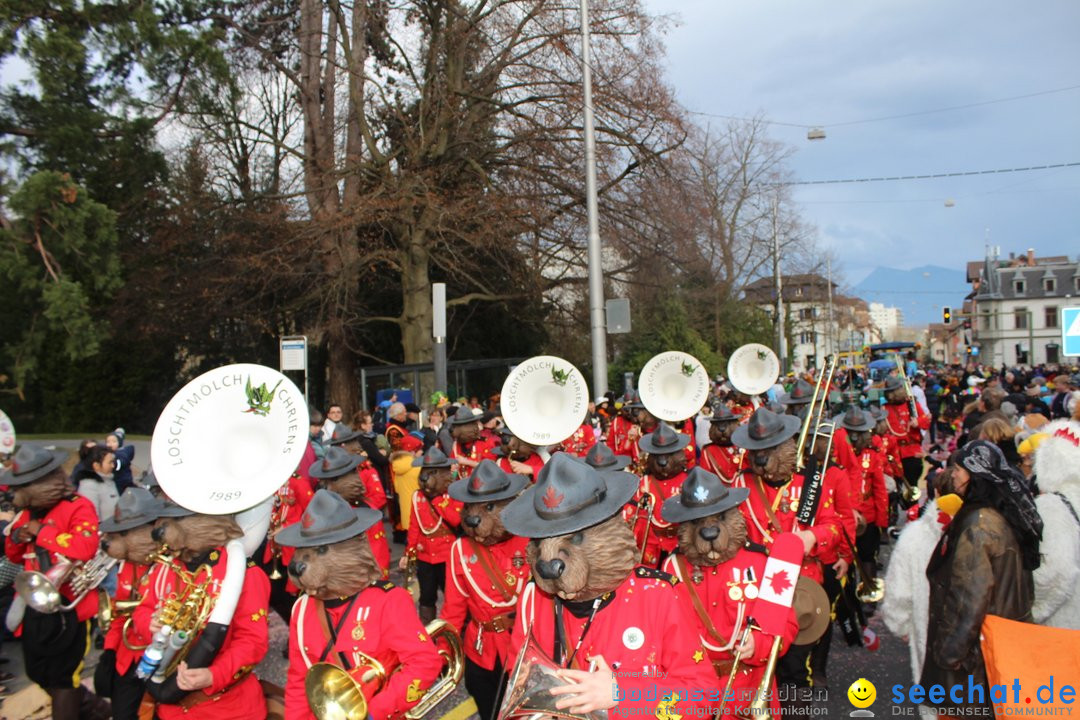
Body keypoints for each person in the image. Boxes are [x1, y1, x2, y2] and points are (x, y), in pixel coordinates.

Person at [277, 489, 443, 720]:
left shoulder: (387, 600)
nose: (299, 565)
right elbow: (299, 679)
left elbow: (424, 663)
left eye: (321, 550)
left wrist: (374, 713)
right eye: (303, 552)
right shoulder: (302, 609)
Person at [920, 441, 1043, 715]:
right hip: (1003, 648)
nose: (953, 474)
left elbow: (968, 600)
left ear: (976, 476)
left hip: (977, 662)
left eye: (960, 470)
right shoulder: (1003, 515)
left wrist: (948, 653)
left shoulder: (978, 527)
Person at [3, 445, 112, 719]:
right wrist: (16, 538)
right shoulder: (28, 511)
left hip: (70, 608)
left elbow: (85, 547)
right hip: (36, 606)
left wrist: (43, 532)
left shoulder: (78, 506)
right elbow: (15, 555)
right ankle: (95, 708)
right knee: (37, 671)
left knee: (65, 678)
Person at [439, 461, 531, 720]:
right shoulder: (460, 550)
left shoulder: (530, 542)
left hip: (524, 651)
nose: (473, 516)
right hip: (481, 651)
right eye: (469, 507)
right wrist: (444, 653)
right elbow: (453, 609)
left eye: (489, 507)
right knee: (488, 709)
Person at [74, 444, 121, 528]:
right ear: (96, 466)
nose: (113, 466)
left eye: (113, 462)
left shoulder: (109, 480)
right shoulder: (89, 487)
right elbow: (92, 520)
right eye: (110, 462)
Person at [105, 429, 136, 494]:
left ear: (119, 443)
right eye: (108, 442)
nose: (110, 444)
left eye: (114, 441)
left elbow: (121, 463)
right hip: (116, 479)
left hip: (123, 480)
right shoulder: (110, 453)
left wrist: (114, 464)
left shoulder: (121, 453)